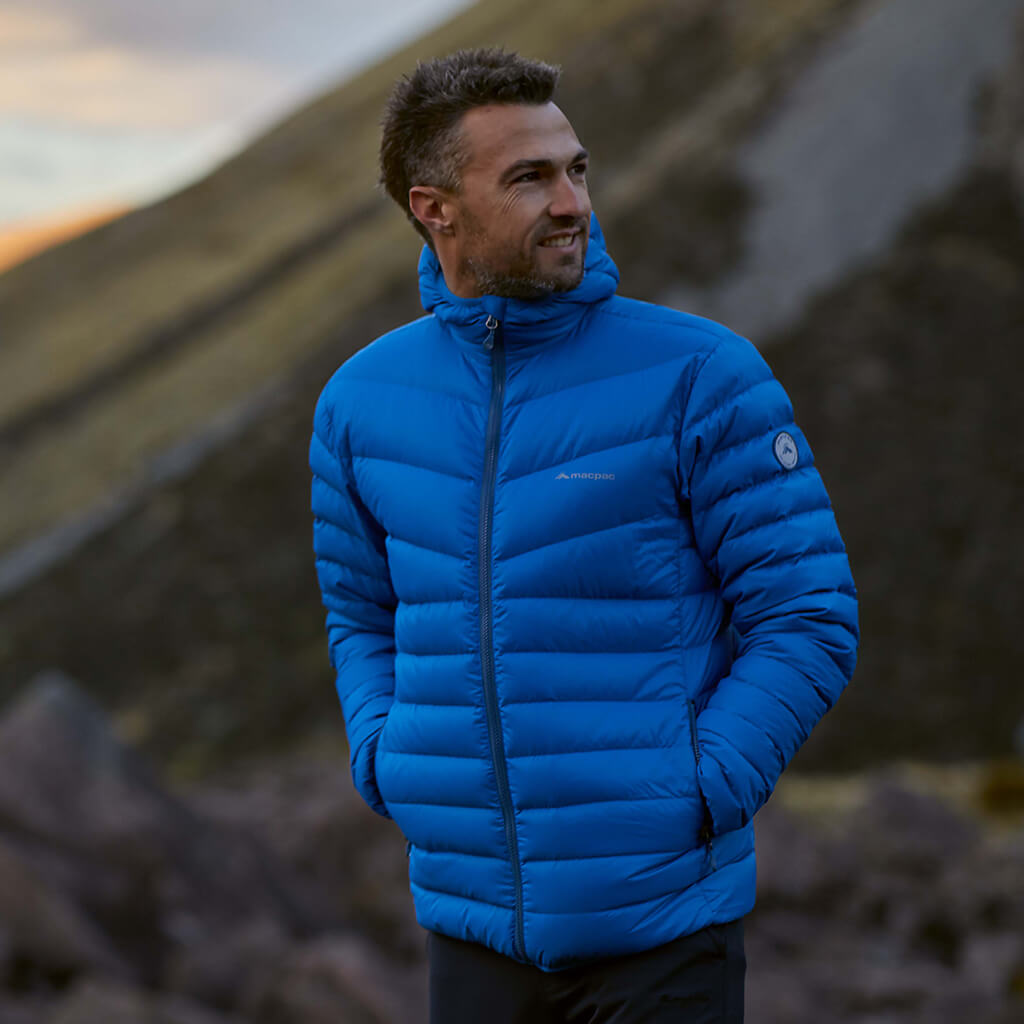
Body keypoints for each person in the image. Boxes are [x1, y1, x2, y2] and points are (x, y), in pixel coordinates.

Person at [310, 47, 858, 1023]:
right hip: (471, 931)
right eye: (528, 177)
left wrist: (698, 789)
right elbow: (360, 612)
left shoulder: (700, 374)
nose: (571, 202)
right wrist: (386, 759)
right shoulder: (359, 402)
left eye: (575, 169)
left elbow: (807, 617)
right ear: (435, 208)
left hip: (659, 936)